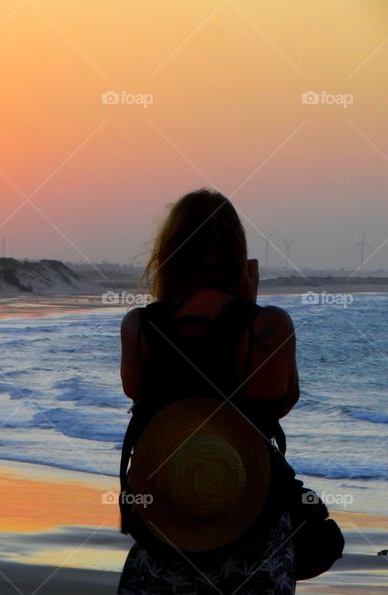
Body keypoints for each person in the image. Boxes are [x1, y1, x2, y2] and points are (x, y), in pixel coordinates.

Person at [117, 189, 299, 594]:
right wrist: (248, 310)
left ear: (169, 253)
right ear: (238, 255)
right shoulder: (269, 327)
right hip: (248, 512)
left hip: (169, 512)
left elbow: (137, 393)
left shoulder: (139, 327)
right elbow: (281, 402)